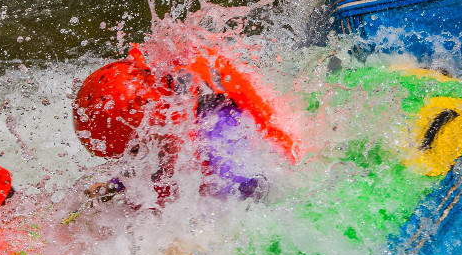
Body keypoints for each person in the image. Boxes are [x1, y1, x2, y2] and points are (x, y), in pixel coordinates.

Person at [73, 44, 299, 206]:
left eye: (133, 150)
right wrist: (113, 187)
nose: (131, 160)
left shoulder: (218, 130)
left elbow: (253, 197)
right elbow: (152, 160)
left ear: (153, 120)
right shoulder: (162, 99)